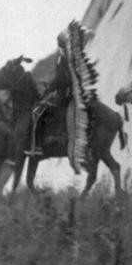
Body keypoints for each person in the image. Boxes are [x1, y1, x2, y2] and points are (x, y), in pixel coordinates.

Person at [27, 29, 77, 169]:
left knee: (40, 111)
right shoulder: (64, 56)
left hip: (67, 92)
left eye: (61, 43)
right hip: (63, 90)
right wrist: (49, 86)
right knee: (42, 105)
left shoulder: (68, 58)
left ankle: (42, 142)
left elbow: (64, 77)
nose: (60, 46)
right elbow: (58, 76)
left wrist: (53, 86)